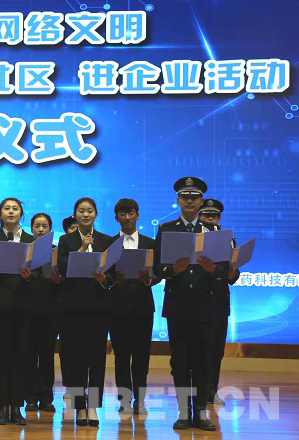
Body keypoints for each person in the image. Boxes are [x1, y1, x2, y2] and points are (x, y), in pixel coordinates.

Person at [153, 177, 229, 431]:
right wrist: (172, 270)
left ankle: (201, 412)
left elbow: (225, 269)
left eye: (194, 197)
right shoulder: (166, 229)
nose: (189, 201)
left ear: (200, 201)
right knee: (180, 362)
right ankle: (184, 412)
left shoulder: (212, 231)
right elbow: (157, 268)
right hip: (178, 306)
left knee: (204, 360)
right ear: (178, 200)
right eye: (185, 197)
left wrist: (214, 269)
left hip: (207, 306)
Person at [57, 197, 113, 427]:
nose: (86, 215)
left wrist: (104, 278)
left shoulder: (106, 240)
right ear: (75, 214)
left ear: (96, 214)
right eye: (81, 211)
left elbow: (113, 273)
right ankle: (79, 406)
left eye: (89, 211)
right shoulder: (66, 240)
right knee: (74, 359)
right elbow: (61, 268)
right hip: (72, 307)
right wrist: (80, 250)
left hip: (98, 307)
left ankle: (93, 407)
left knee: (96, 359)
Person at [0, 197, 33, 426]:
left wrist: (29, 276)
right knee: (2, 356)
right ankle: (2, 406)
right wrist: (2, 259)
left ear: (21, 214)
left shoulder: (30, 240)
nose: (11, 212)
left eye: (15, 208)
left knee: (20, 356)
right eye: (7, 208)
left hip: (23, 304)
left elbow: (39, 271)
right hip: (0, 304)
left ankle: (17, 407)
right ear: (0, 214)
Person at [108, 199, 159, 415]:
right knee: (121, 356)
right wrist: (112, 280)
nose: (127, 217)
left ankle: (140, 399)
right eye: (123, 214)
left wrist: (149, 279)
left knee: (141, 355)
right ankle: (124, 400)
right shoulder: (109, 243)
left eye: (131, 213)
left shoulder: (150, 243)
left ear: (137, 215)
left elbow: (159, 272)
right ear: (116, 218)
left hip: (142, 306)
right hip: (116, 306)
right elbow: (103, 273)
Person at [199, 198, 240, 406]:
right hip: (195, 301)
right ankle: (195, 392)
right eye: (206, 215)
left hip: (219, 302)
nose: (210, 218)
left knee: (216, 351)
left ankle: (212, 391)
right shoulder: (192, 238)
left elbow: (232, 275)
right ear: (199, 216)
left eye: (214, 215)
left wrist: (232, 272)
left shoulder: (228, 239)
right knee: (197, 350)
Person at [25, 213, 62, 413]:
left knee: (47, 355)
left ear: (50, 229)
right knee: (30, 355)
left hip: (50, 309)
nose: (40, 229)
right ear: (31, 228)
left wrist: (58, 280)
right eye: (37, 226)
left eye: (44, 226)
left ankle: (47, 397)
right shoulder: (25, 250)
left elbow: (64, 280)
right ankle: (30, 397)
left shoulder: (56, 251)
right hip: (28, 309)